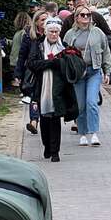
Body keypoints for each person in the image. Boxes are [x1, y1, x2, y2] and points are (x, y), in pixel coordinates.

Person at [26, 17, 80, 161]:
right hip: (42, 86)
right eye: (51, 32)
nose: (54, 34)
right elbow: (31, 63)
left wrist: (59, 64)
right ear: (45, 32)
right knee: (44, 118)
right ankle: (47, 146)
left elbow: (70, 66)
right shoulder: (38, 45)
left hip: (59, 88)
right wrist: (50, 63)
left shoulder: (65, 47)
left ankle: (55, 151)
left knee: (55, 118)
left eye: (56, 32)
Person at [63, 4, 111, 147]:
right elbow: (64, 54)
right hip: (78, 73)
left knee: (92, 102)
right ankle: (83, 133)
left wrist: (107, 70)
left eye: (88, 15)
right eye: (82, 15)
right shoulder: (70, 34)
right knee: (81, 105)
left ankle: (94, 133)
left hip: (94, 71)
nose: (86, 17)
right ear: (76, 17)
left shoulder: (97, 32)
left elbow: (106, 51)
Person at [8, 12, 31, 89]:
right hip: (15, 59)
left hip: (17, 60)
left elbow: (24, 47)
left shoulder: (23, 32)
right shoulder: (20, 32)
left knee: (18, 78)